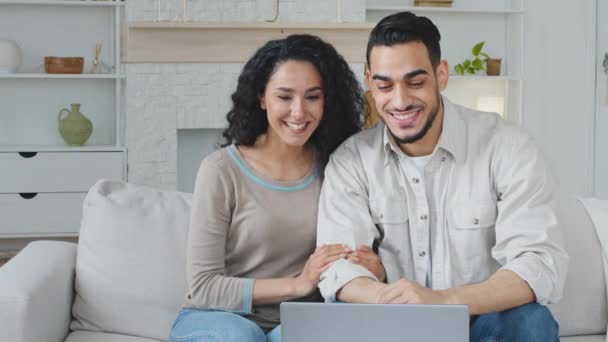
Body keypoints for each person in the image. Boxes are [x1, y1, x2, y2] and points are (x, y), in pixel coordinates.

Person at [316, 11, 568, 341]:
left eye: (416, 82)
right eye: (384, 85)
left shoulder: (507, 146)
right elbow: (338, 269)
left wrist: (442, 301)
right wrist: (387, 297)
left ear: (442, 75)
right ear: (369, 82)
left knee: (532, 321)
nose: (400, 100)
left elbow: (538, 263)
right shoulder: (352, 160)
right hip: (391, 325)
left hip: (481, 323)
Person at [169, 34, 385, 342]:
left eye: (312, 97)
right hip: (219, 318)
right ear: (261, 97)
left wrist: (376, 270)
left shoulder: (339, 169)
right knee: (240, 338)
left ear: (328, 101)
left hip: (298, 321)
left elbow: (357, 254)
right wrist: (297, 284)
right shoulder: (220, 170)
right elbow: (204, 286)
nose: (299, 112)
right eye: (284, 97)